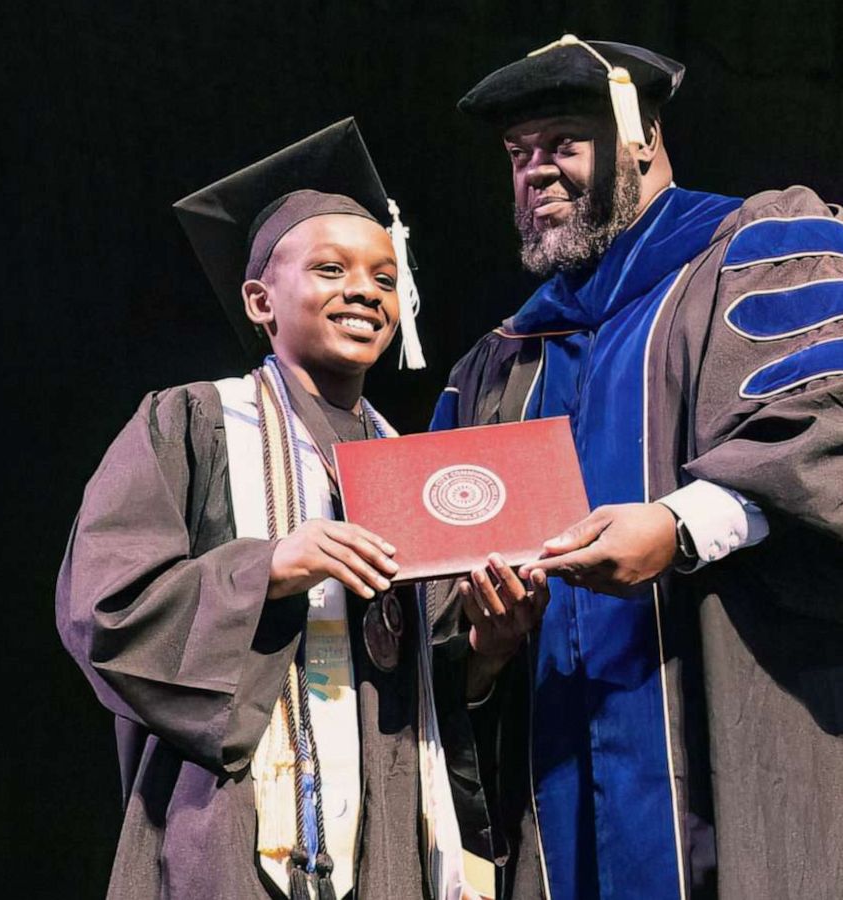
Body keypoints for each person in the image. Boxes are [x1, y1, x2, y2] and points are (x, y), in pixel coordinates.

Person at [431, 37, 843, 900]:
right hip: (566, 794)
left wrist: (682, 526)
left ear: (641, 136)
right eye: (517, 155)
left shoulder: (768, 247)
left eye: (563, 143)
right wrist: (483, 646)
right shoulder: (498, 366)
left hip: (762, 763)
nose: (535, 173)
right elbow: (442, 591)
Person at [56, 119, 523, 900]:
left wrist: (486, 650)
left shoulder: (414, 468)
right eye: (332, 269)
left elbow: (428, 680)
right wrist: (267, 567)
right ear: (260, 300)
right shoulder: (190, 423)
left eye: (383, 276)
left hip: (392, 846)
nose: (364, 292)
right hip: (228, 830)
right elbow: (102, 607)